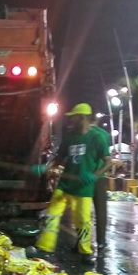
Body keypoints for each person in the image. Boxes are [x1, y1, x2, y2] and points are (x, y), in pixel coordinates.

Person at [32, 103, 111, 264]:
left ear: (82, 117)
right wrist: (46, 167)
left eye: (73, 117)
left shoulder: (98, 137)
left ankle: (85, 252)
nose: (70, 119)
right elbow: (60, 157)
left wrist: (94, 176)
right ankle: (44, 248)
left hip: (83, 187)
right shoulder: (69, 136)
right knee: (52, 213)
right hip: (65, 184)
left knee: (82, 221)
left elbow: (108, 162)